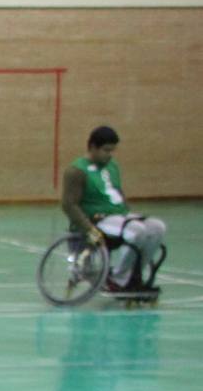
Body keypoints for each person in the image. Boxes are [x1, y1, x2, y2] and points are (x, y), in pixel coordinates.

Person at [63, 125, 167, 293]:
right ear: (92, 147)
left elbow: (118, 192)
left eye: (112, 150)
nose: (109, 154)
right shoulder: (76, 171)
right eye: (106, 150)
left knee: (157, 227)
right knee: (137, 231)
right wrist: (89, 230)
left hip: (118, 216)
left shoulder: (112, 166)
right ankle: (118, 278)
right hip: (97, 219)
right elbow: (69, 205)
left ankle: (133, 275)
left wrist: (127, 212)